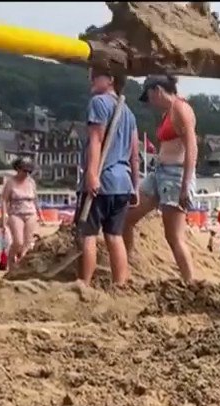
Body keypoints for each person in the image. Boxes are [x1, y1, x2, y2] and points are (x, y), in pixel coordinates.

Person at [123, 74, 196, 279]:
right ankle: (127, 267)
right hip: (160, 174)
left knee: (174, 236)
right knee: (126, 217)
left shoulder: (181, 109)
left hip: (175, 174)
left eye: (150, 97)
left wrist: (185, 186)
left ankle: (191, 282)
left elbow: (192, 148)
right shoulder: (168, 112)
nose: (151, 103)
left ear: (157, 90)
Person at [78, 65, 139, 288]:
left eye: (94, 76)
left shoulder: (99, 103)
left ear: (111, 79)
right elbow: (135, 155)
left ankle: (84, 284)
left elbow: (96, 140)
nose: (90, 80)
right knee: (115, 235)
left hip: (103, 179)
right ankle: (120, 285)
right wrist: (135, 187)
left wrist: (92, 175)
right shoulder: (129, 113)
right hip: (123, 182)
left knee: (89, 234)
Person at [0, 157, 40, 270]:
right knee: (18, 241)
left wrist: (40, 214)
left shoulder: (31, 182)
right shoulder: (11, 182)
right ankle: (10, 259)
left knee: (27, 244)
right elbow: (4, 200)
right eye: (24, 171)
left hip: (30, 213)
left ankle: (20, 266)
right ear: (18, 169)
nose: (26, 174)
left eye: (29, 171)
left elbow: (35, 199)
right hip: (15, 213)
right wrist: (4, 217)